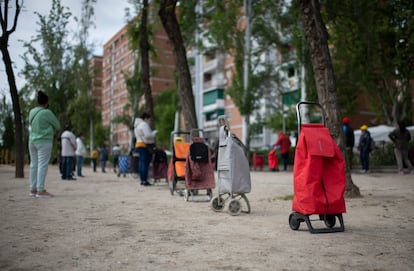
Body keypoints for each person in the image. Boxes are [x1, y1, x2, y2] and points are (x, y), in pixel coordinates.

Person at [28, 91, 61, 197]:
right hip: (44, 142)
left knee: (33, 165)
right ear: (46, 102)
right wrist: (50, 128)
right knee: (42, 165)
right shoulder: (47, 112)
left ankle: (33, 189)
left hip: (32, 141)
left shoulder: (32, 111)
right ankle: (41, 190)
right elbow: (57, 125)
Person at [134, 112, 157, 186]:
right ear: (146, 118)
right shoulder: (144, 124)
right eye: (149, 119)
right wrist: (153, 133)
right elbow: (148, 135)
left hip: (138, 144)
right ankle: (144, 181)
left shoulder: (136, 125)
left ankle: (142, 180)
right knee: (145, 164)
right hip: (144, 145)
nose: (149, 121)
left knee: (141, 164)